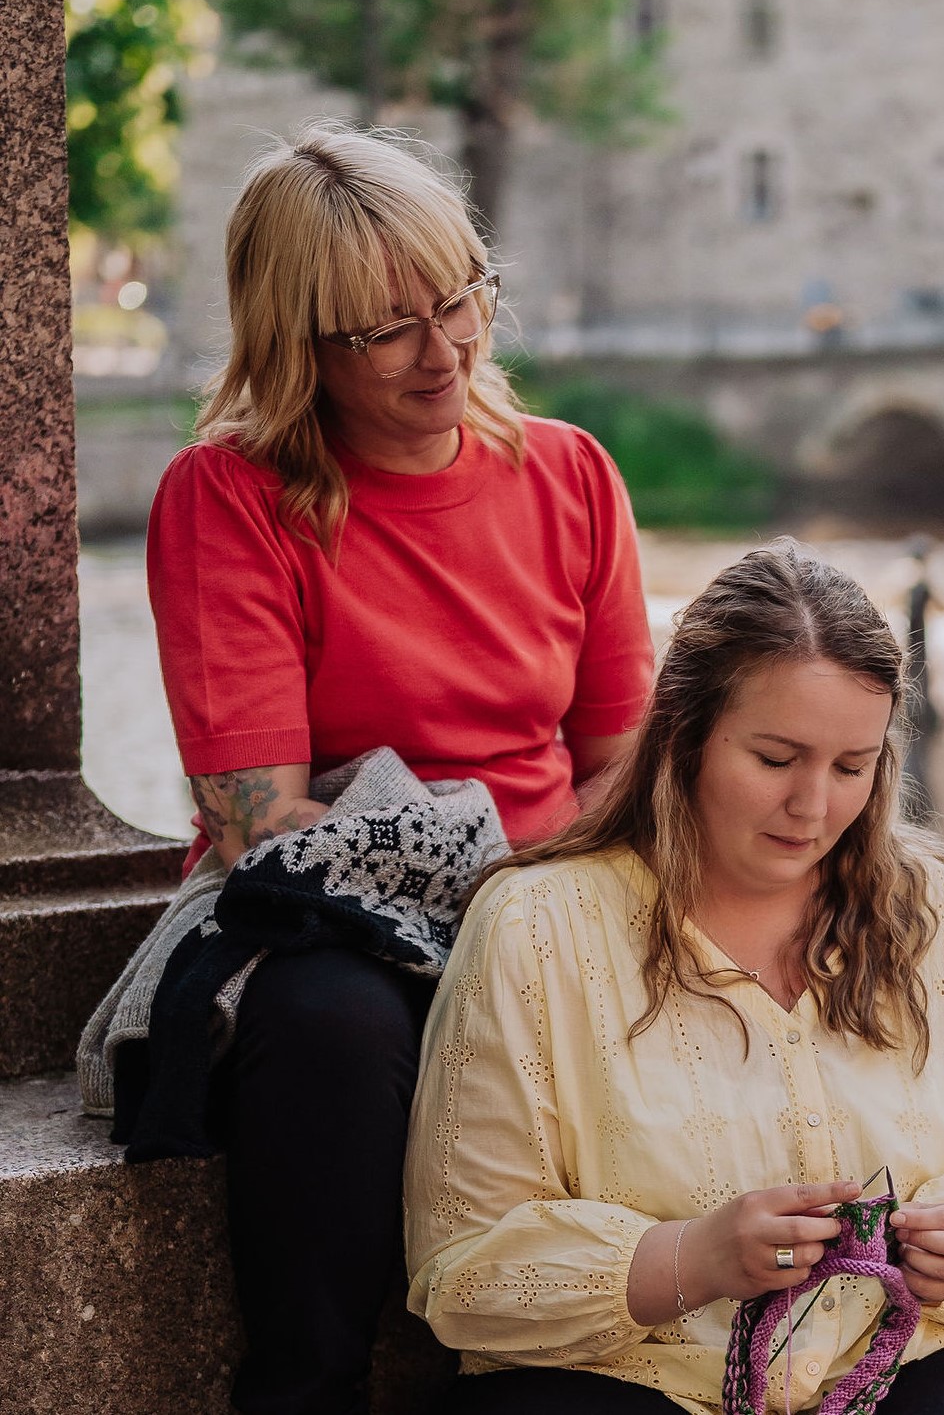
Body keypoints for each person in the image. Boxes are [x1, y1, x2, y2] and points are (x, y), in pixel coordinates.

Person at [143, 124, 654, 1413]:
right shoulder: (229, 496)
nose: (447, 351)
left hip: (554, 902)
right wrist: (501, 896)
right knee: (328, 1025)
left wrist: (554, 908)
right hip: (333, 919)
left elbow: (619, 765)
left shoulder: (573, 474)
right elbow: (262, 819)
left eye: (460, 297)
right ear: (297, 342)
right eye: (384, 331)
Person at [405, 541, 944, 1414]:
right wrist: (687, 1260)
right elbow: (462, 1268)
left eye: (853, 767)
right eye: (775, 759)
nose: (814, 807)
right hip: (628, 1388)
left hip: (898, 1377)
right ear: (684, 735)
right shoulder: (536, 927)